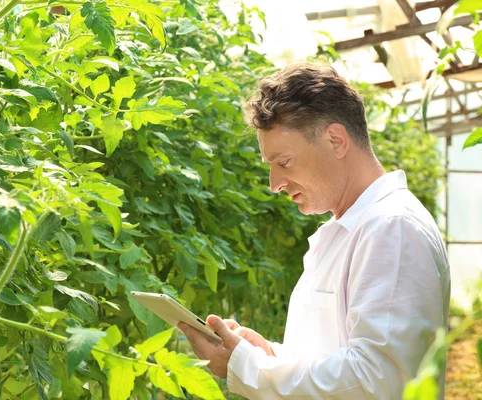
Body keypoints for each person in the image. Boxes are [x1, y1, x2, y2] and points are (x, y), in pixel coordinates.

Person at [177, 63, 451, 399]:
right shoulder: (348, 230)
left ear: (336, 140)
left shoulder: (392, 229)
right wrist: (267, 355)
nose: (275, 184)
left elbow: (379, 382)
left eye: (285, 162)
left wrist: (248, 366)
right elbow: (335, 358)